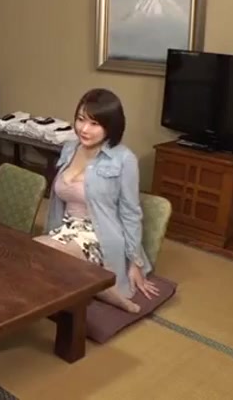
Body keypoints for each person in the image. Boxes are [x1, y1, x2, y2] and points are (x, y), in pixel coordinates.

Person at [38, 88, 159, 313]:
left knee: (49, 254)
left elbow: (131, 213)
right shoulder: (69, 148)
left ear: (111, 126)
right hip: (64, 229)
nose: (84, 129)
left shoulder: (124, 159)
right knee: (29, 253)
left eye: (94, 124)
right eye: (81, 119)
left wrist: (135, 262)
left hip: (99, 236)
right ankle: (94, 286)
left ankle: (107, 291)